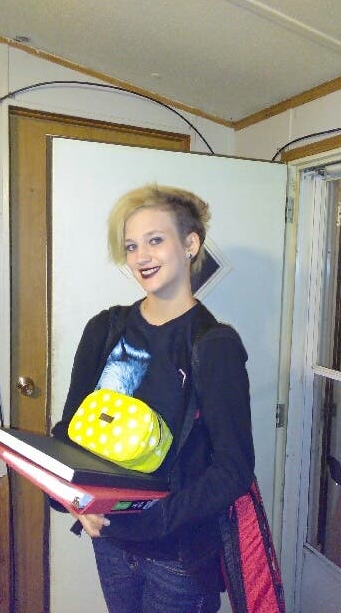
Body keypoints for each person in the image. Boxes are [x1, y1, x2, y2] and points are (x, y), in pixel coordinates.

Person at [52, 184, 255, 613]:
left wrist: (153, 520)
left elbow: (233, 470)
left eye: (155, 240)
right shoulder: (105, 330)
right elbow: (69, 432)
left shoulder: (213, 345)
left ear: (190, 244)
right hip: (110, 543)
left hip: (177, 557)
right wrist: (73, 499)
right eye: (131, 246)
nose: (141, 256)